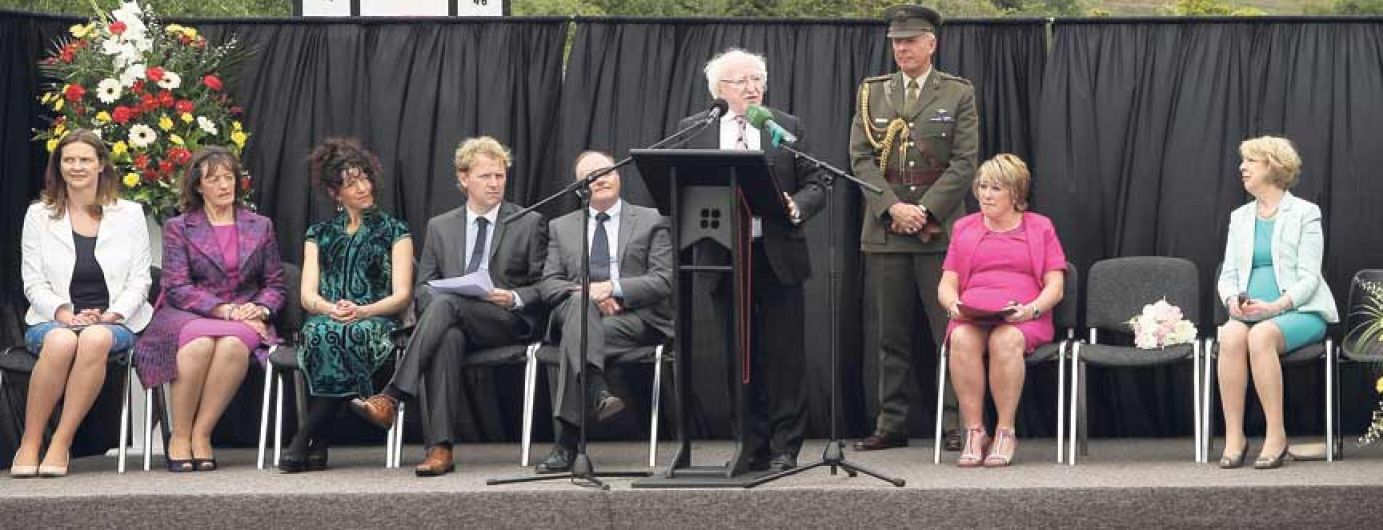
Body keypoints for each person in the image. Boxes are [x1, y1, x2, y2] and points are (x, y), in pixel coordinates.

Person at [349, 137, 548, 477]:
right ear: (463, 179)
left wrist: (513, 297)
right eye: (486, 176)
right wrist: (446, 298)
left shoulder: (528, 222)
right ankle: (440, 450)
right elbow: (424, 288)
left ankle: (392, 396)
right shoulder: (440, 226)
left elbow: (545, 285)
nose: (495, 183)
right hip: (451, 322)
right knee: (446, 334)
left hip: (504, 320)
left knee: (445, 307)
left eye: (500, 176)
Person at [676, 48, 826, 472]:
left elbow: (816, 181)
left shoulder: (785, 126)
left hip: (775, 254)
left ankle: (785, 448)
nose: (753, 87)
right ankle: (749, 443)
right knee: (737, 355)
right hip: (722, 255)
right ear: (719, 91)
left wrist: (797, 206)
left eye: (757, 79)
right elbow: (681, 184)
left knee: (784, 356)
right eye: (741, 81)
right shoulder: (696, 129)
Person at [849, 4, 979, 453]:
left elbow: (965, 162)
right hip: (886, 230)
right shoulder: (873, 93)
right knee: (889, 334)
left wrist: (924, 211)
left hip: (939, 231)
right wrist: (892, 209)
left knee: (951, 331)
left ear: (931, 44)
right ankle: (892, 422)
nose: (902, 48)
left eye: (910, 41)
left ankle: (958, 421)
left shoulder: (957, 93)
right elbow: (860, 159)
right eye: (896, 42)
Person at [132, 147, 287, 472]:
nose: (223, 185)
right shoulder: (179, 227)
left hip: (245, 315)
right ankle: (179, 435)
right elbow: (176, 286)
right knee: (199, 345)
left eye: (228, 177)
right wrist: (223, 310)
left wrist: (260, 309)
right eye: (213, 179)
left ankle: (202, 434)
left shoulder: (260, 225)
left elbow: (275, 283)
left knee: (232, 345)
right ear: (198, 186)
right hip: (188, 313)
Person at [12, 130, 153, 478]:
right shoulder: (39, 215)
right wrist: (65, 314)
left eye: (85, 159)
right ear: (58, 166)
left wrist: (111, 315)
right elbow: (33, 282)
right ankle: (30, 442)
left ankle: (61, 441)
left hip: (114, 321)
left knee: (94, 338)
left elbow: (141, 280)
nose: (77, 166)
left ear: (100, 165)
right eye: (69, 159)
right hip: (53, 318)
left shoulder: (130, 213)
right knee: (61, 341)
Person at [532, 151, 673, 474]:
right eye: (592, 176)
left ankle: (566, 445)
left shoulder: (651, 219)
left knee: (575, 336)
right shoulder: (561, 227)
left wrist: (612, 289)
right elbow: (549, 285)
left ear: (619, 176)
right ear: (580, 188)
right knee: (578, 319)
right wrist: (588, 295)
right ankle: (595, 389)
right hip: (582, 315)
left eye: (607, 171)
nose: (602, 178)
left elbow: (664, 280)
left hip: (635, 319)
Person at [278, 139, 413, 473]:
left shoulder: (396, 231)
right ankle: (319, 439)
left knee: (349, 335)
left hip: (376, 319)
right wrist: (329, 309)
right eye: (351, 183)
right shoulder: (319, 234)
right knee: (324, 333)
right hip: (327, 316)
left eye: (364, 178)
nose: (363, 187)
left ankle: (307, 437)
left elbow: (402, 295)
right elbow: (307, 296)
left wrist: (363, 311)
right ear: (334, 193)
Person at [1215, 136, 1337, 470]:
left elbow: (1310, 278)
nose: (1242, 167)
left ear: (1272, 165)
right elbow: (1227, 274)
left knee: (1261, 335)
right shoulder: (1239, 217)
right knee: (1230, 335)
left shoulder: (1305, 213)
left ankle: (1276, 435)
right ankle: (1235, 437)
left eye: (1250, 161)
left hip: (1300, 312)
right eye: (1242, 161)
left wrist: (1274, 307)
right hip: (1250, 314)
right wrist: (1231, 301)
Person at [935, 154, 1065, 467]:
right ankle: (975, 431)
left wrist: (1031, 311)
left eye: (995, 188)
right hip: (973, 314)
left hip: (1024, 317)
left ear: (1016, 195)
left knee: (1004, 340)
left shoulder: (1040, 227)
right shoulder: (964, 227)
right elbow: (946, 284)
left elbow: (1055, 287)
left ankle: (1005, 431)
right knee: (962, 339)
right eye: (982, 187)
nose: (985, 194)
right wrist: (954, 306)